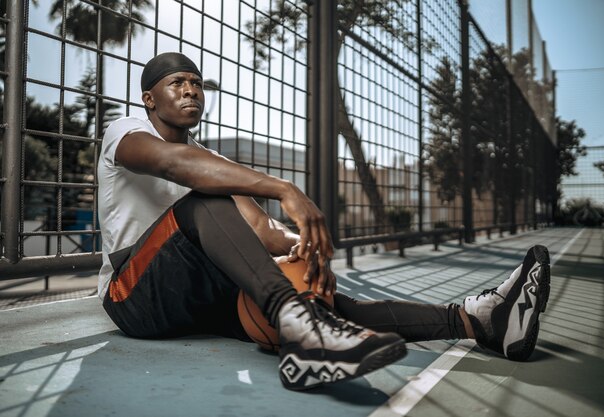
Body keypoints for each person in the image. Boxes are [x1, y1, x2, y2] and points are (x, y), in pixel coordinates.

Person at [97, 52, 551, 391]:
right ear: (149, 98)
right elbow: (174, 165)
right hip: (133, 297)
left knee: (321, 298)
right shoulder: (125, 131)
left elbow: (261, 230)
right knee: (202, 201)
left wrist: (303, 246)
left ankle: (479, 321)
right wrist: (284, 188)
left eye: (197, 83)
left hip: (199, 299)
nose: (191, 90)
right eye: (177, 83)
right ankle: (301, 328)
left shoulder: (212, 159)